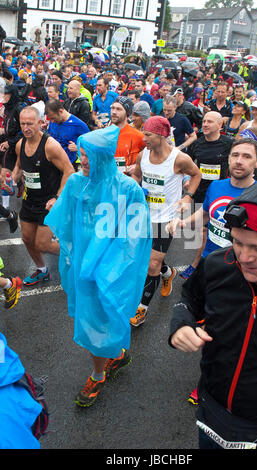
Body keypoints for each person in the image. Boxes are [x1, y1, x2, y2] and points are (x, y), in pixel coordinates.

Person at [169, 180, 257, 449]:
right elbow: (189, 298)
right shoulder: (219, 263)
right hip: (211, 413)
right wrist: (181, 324)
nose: (244, 257)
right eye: (237, 242)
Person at [44, 125, 152, 407]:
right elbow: (65, 219)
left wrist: (111, 268)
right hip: (81, 265)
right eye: (81, 155)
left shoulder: (127, 188)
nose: (84, 161)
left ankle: (98, 374)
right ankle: (114, 355)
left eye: (89, 155)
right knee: (93, 318)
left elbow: (137, 234)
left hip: (109, 270)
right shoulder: (78, 183)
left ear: (104, 156)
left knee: (97, 322)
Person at [130, 116, 202, 327]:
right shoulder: (143, 155)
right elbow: (137, 176)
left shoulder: (179, 159)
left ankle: (141, 310)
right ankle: (168, 273)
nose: (144, 138)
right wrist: (135, 187)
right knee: (145, 259)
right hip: (144, 215)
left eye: (148, 134)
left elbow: (196, 175)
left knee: (152, 265)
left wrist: (188, 196)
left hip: (166, 219)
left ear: (161, 135)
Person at [12, 106, 75, 286]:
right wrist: (12, 179)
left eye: (30, 124)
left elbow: (69, 171)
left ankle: (74, 254)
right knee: (27, 239)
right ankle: (41, 270)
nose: (25, 128)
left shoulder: (50, 146)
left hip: (48, 203)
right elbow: (19, 167)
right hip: (29, 200)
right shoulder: (20, 144)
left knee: (42, 244)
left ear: (41, 123)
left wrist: (57, 198)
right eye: (23, 124)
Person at [181, 111, 233, 279]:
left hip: (222, 194)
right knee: (200, 233)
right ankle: (203, 263)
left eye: (210, 121)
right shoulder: (197, 144)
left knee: (213, 233)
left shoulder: (228, 143)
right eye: (204, 121)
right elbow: (186, 164)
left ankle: (198, 265)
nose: (205, 124)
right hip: (201, 192)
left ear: (220, 125)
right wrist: (187, 179)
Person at [45, 99, 90, 170]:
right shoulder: (52, 122)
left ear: (60, 111)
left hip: (68, 166)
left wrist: (78, 148)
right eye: (50, 119)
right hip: (52, 164)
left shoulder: (78, 125)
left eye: (53, 118)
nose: (52, 121)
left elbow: (90, 146)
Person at [110, 96, 145, 176]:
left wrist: (138, 166)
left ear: (127, 113)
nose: (114, 112)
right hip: (107, 182)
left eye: (119, 109)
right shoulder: (103, 133)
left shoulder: (138, 136)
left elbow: (153, 155)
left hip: (127, 182)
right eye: (113, 108)